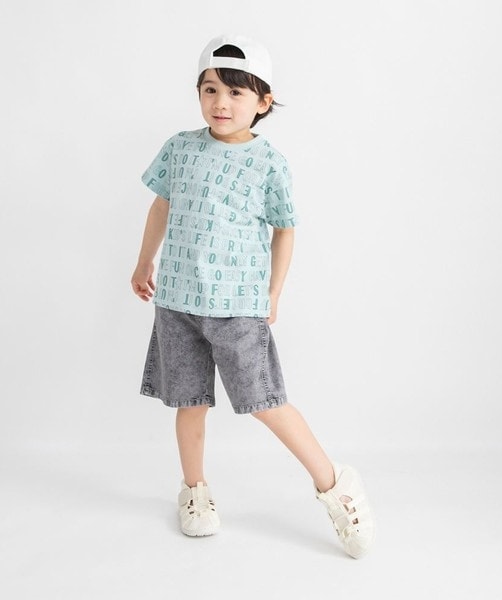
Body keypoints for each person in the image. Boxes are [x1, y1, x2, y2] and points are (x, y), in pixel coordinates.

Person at [131, 34, 376, 559]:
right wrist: (144, 260)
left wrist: (273, 291)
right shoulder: (179, 147)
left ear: (263, 102)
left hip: (238, 304)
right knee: (189, 402)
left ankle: (336, 486)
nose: (221, 103)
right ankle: (194, 491)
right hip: (177, 299)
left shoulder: (268, 162)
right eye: (210, 90)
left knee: (266, 402)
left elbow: (285, 227)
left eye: (236, 92)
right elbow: (161, 205)